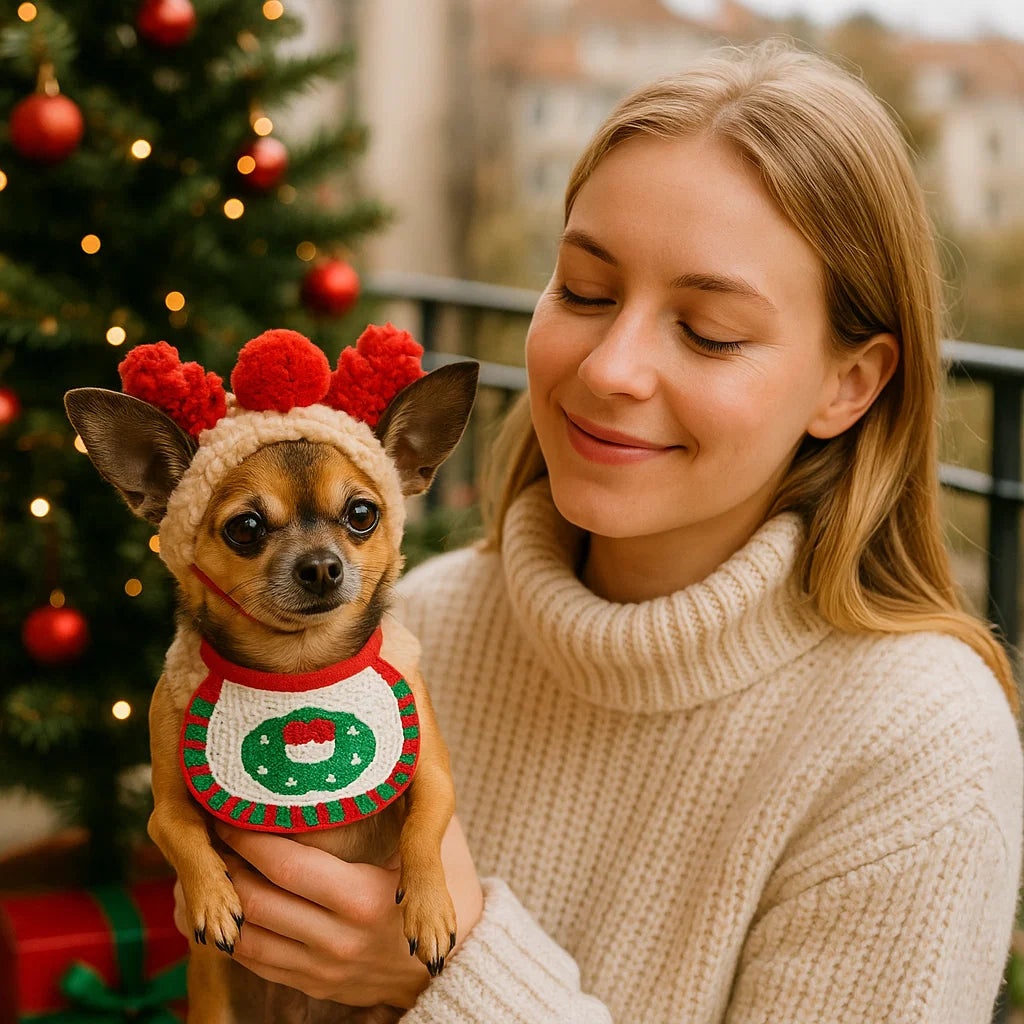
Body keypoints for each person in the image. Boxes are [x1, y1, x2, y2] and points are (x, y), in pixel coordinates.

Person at [183, 41, 1024, 1022]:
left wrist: (449, 973)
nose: (610, 367)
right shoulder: (411, 627)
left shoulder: (918, 746)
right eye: (583, 290)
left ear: (848, 384)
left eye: (708, 329)